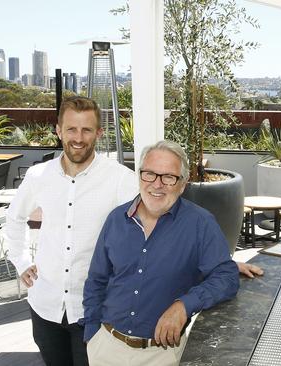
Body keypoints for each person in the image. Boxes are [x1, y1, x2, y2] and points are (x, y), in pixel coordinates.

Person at [5, 96, 138, 366]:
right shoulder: (38, 176)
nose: (78, 138)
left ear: (99, 133)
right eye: (71, 129)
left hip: (94, 310)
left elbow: (157, 223)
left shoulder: (120, 179)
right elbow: (14, 217)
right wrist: (21, 261)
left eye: (87, 130)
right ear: (58, 130)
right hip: (45, 305)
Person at [83, 140, 240, 366]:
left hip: (161, 355)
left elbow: (226, 276)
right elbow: (96, 280)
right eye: (150, 174)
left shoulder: (200, 223)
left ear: (182, 184)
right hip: (106, 348)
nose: (157, 185)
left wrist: (183, 305)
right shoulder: (116, 219)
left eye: (168, 177)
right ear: (140, 176)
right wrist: (92, 334)